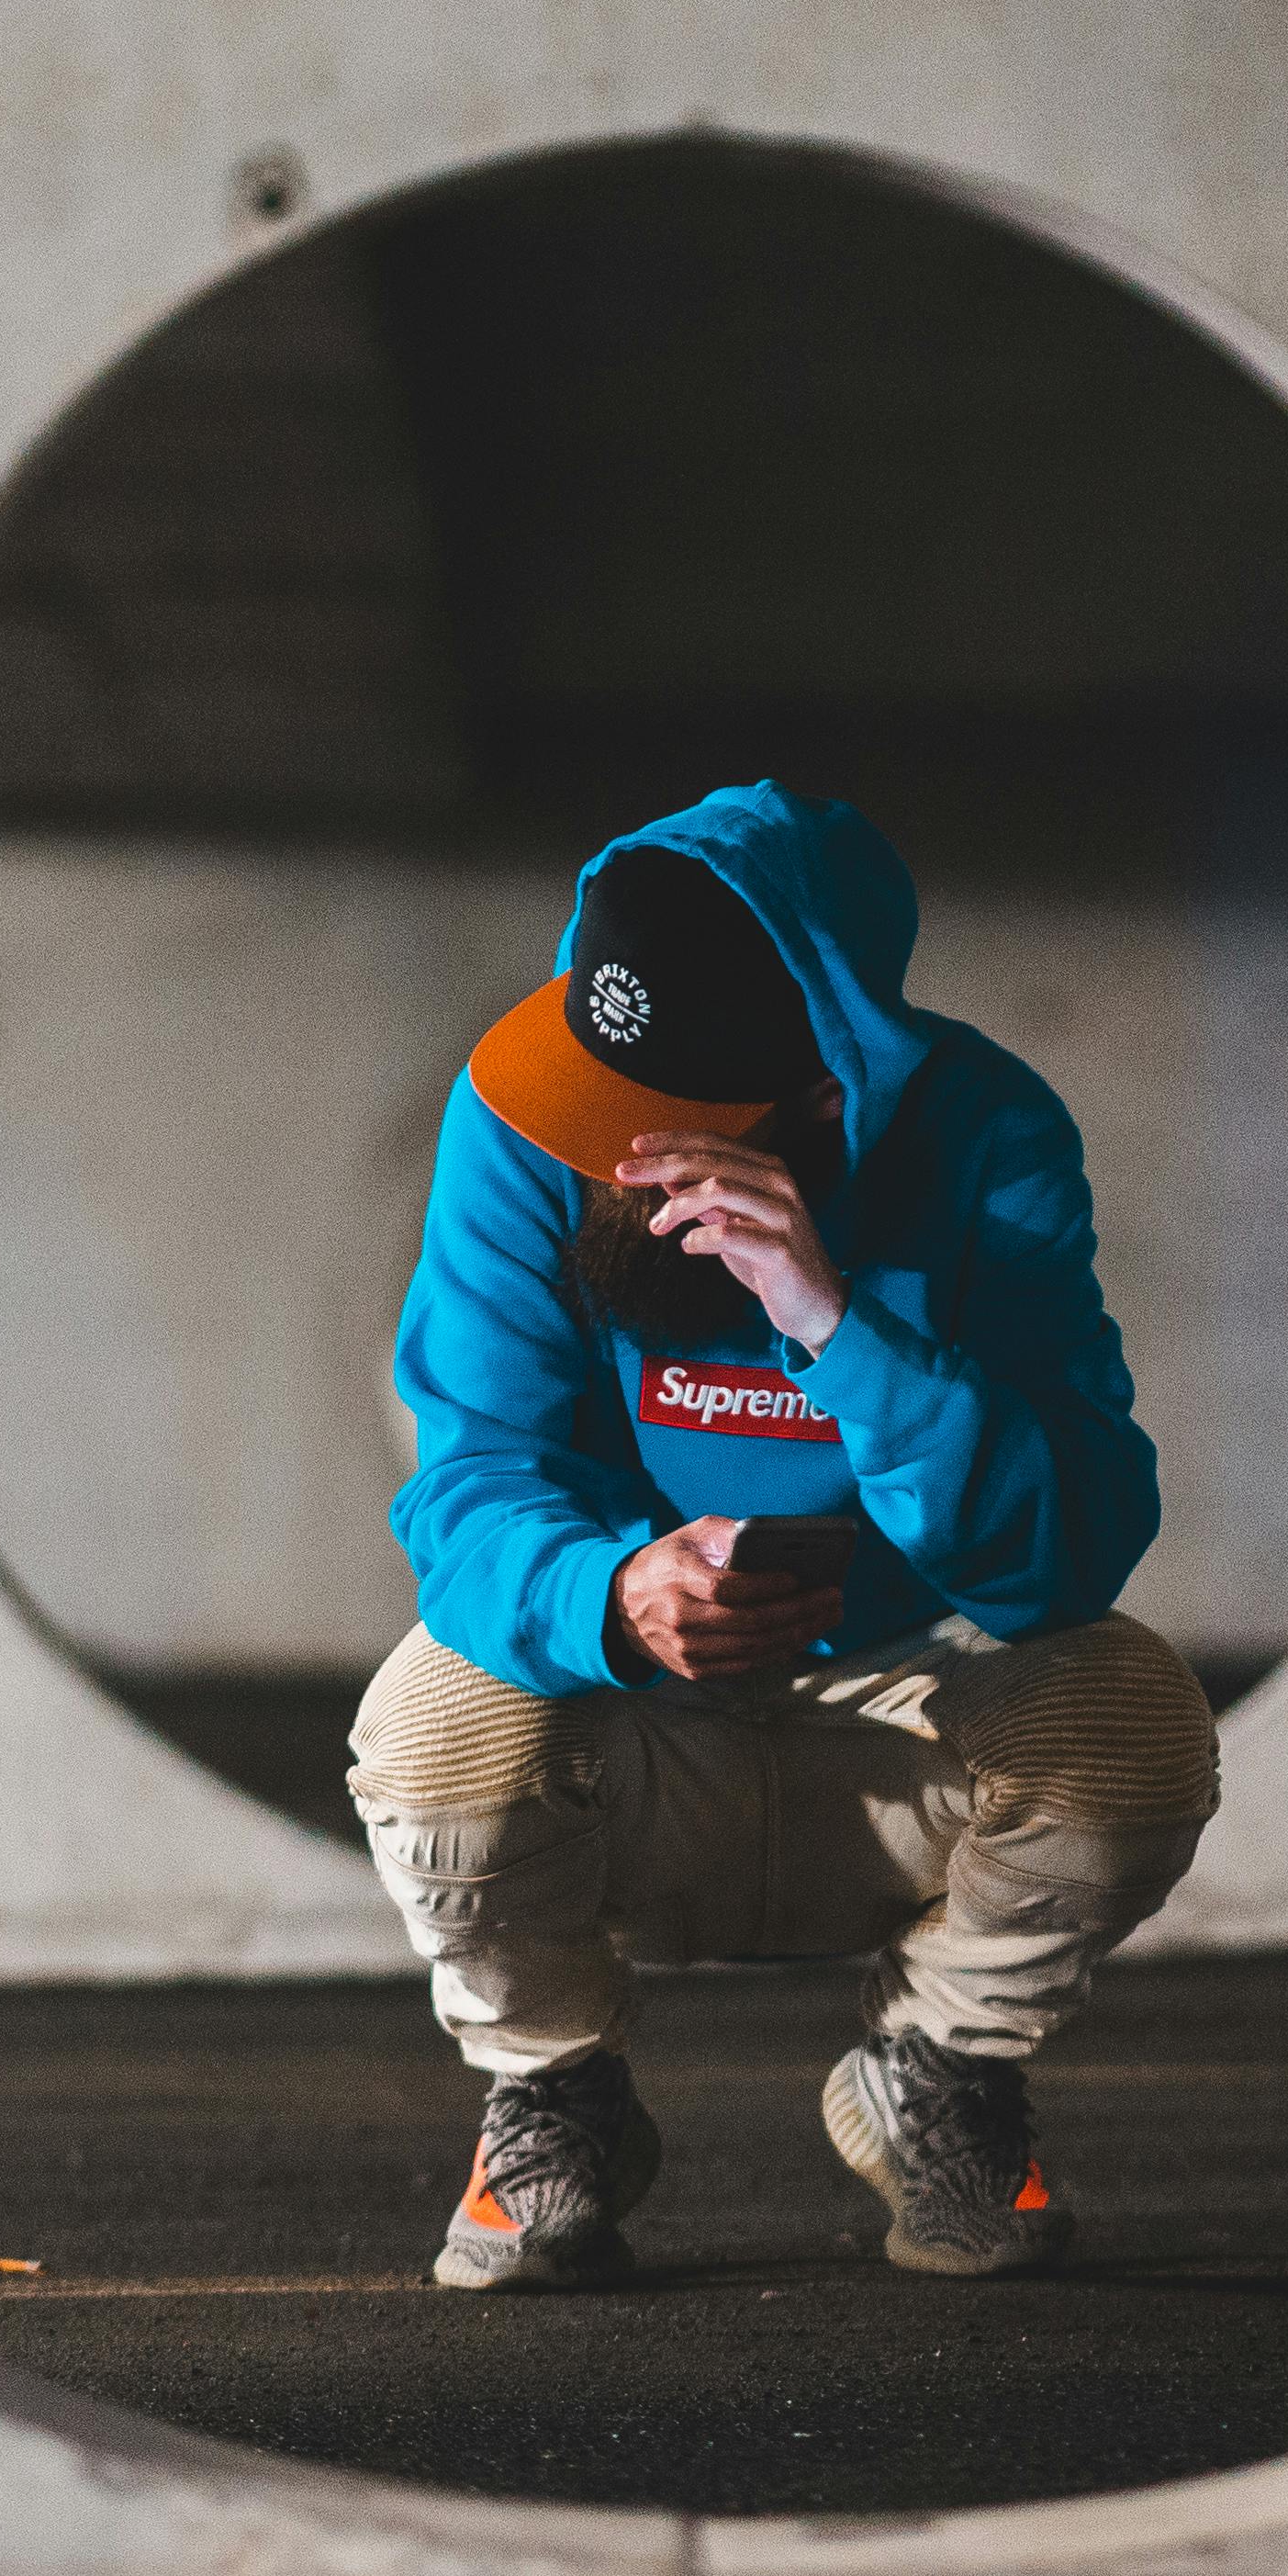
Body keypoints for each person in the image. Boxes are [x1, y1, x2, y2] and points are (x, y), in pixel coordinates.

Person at [353, 782, 1220, 2289]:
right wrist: (607, 1591)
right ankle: (551, 2096)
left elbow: (1061, 1559)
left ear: (823, 1093)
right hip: (632, 1714)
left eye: (656, 1133)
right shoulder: (520, 1119)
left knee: (1131, 1720)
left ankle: (933, 2075)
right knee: (430, 1719)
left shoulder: (987, 1137)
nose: (605, 1159)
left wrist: (829, 1317)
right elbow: (472, 1476)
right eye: (593, 1110)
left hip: (902, 1703)